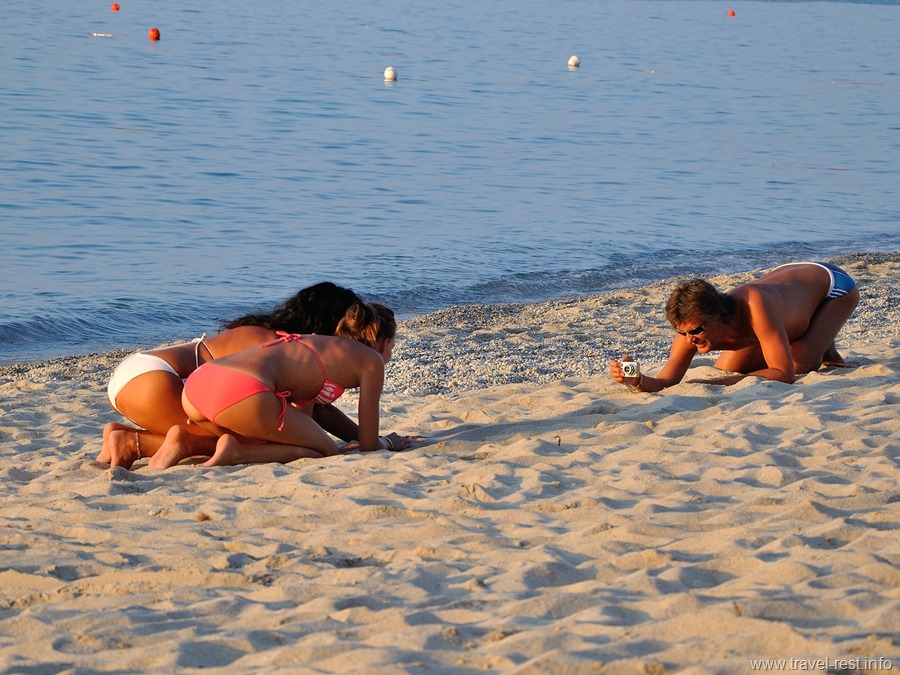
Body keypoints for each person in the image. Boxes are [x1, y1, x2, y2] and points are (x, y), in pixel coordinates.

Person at [98, 282, 363, 469]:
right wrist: (366, 440)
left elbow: (318, 410)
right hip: (155, 380)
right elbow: (307, 419)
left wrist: (361, 436)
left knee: (254, 425)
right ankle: (134, 443)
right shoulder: (282, 345)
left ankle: (120, 433)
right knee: (257, 437)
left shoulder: (266, 334)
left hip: (139, 372)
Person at [149, 301, 413, 469]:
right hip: (241, 389)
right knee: (326, 451)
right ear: (385, 342)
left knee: (303, 443)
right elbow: (369, 444)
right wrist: (389, 442)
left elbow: (304, 416)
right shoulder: (371, 361)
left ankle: (184, 439)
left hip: (198, 384)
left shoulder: (316, 344)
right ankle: (236, 452)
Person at [610, 261, 860, 392]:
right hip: (786, 277)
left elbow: (784, 374)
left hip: (832, 287)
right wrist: (636, 379)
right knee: (728, 368)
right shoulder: (690, 325)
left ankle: (823, 339)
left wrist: (715, 384)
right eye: (681, 332)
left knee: (799, 364)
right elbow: (667, 380)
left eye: (696, 331)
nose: (689, 340)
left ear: (716, 316)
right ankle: (810, 335)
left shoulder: (755, 305)